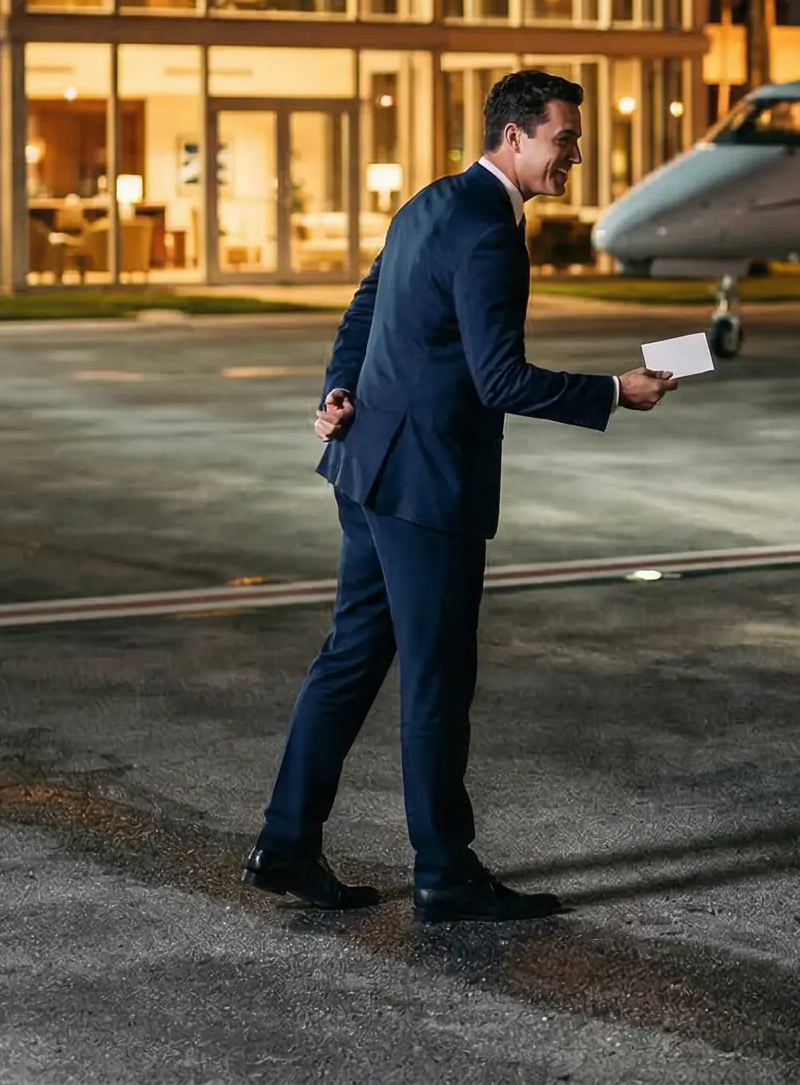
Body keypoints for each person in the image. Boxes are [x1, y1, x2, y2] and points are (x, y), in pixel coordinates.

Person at [245, 70, 678, 923]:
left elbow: (363, 309)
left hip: (370, 470)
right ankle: (444, 872)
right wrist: (611, 392)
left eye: (575, 140)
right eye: (564, 139)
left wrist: (339, 389)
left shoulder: (431, 202)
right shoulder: (488, 233)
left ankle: (287, 843)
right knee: (436, 680)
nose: (575, 155)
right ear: (514, 137)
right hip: (426, 489)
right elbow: (499, 378)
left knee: (351, 661)